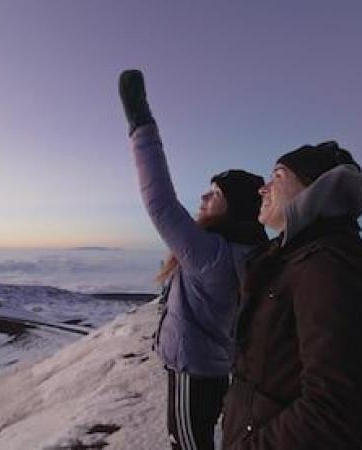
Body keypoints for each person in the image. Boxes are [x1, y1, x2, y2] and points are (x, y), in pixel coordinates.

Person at [118, 69, 268, 450]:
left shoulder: (211, 253)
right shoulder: (249, 252)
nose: (203, 198)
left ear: (233, 207)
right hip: (216, 365)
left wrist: (140, 123)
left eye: (214, 194)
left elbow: (160, 202)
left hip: (193, 368)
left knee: (187, 444)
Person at [221, 142, 362, 450]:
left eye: (278, 177)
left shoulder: (326, 266)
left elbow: (334, 409)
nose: (263, 189)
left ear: (316, 190)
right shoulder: (291, 259)